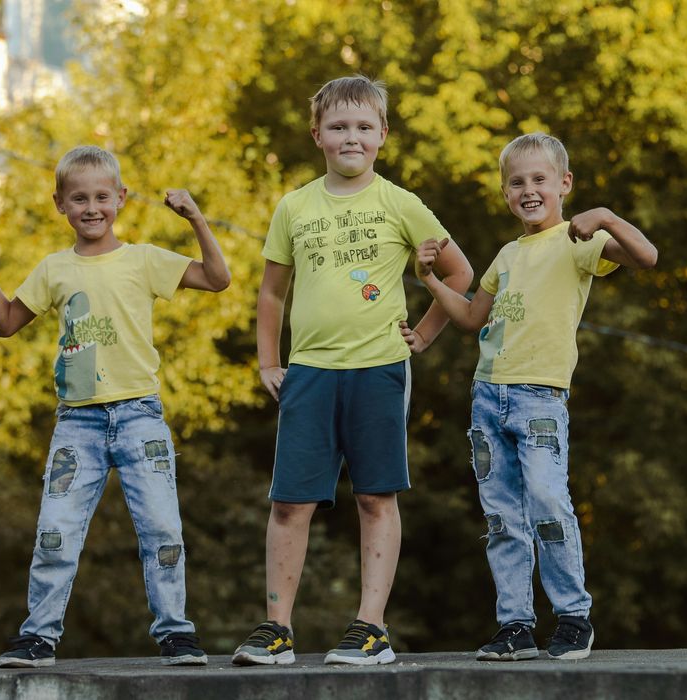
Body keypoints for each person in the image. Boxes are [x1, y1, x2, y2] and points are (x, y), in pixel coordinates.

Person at [232, 75, 473, 667]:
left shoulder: (400, 203)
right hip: (309, 372)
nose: (351, 137)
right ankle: (276, 630)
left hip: (379, 370)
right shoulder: (295, 205)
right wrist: (268, 359)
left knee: (375, 497)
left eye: (364, 127)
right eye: (338, 126)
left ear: (382, 135)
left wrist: (425, 333)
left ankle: (371, 629)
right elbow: (270, 295)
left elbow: (461, 276)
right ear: (317, 134)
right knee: (290, 502)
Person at [0, 145, 230, 668]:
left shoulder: (144, 260)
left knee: (162, 531)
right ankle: (38, 636)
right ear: (59, 203)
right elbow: (5, 324)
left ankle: (176, 632)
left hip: (140, 418)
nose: (91, 208)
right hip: (77, 425)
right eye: (78, 198)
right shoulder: (54, 269)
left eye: (102, 197)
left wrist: (196, 218)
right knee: (55, 533)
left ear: (121, 199)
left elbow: (218, 279)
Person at [414, 132, 657, 662]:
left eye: (540, 180)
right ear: (505, 193)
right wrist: (431, 280)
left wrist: (607, 217)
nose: (529, 190)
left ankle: (573, 618)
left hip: (540, 398)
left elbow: (647, 257)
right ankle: (515, 626)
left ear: (563, 184)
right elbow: (472, 318)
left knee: (548, 501)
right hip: (487, 397)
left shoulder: (579, 241)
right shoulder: (506, 254)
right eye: (517, 182)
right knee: (501, 516)